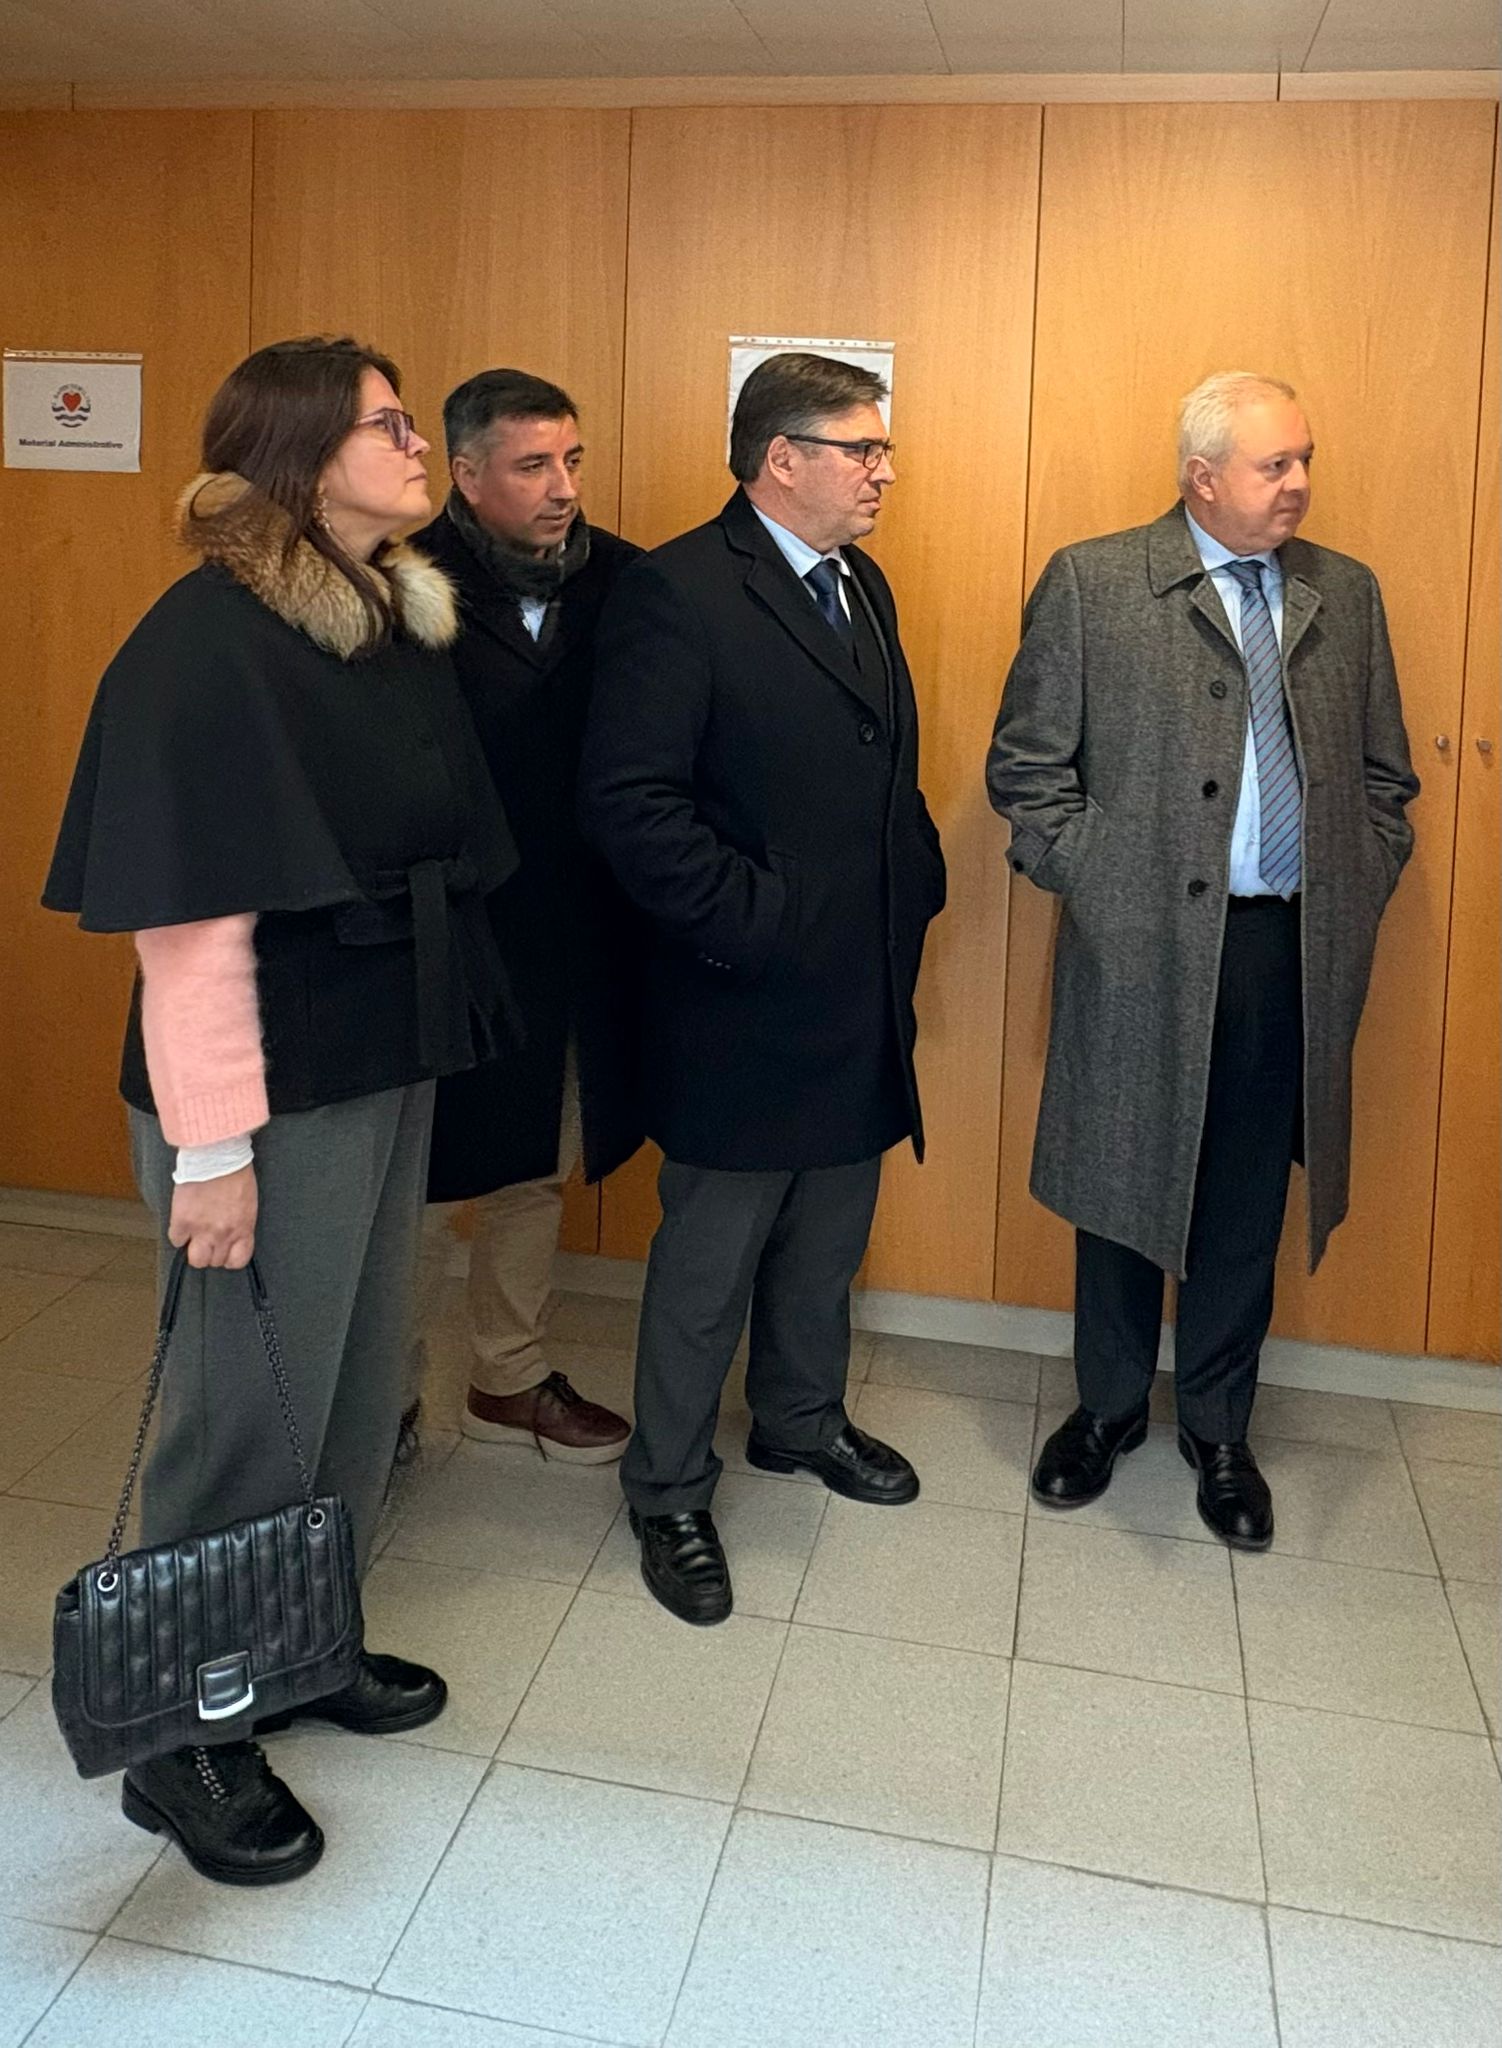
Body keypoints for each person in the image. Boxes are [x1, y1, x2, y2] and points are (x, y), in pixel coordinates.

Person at [43, 336, 517, 1885]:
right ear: (304, 457)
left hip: (377, 1057)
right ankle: (180, 1736)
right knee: (244, 1408)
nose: (417, 446)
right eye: (388, 425)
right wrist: (212, 1151)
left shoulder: (386, 617)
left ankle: (296, 1645)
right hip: (263, 1088)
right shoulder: (206, 645)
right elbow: (187, 929)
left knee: (355, 1378)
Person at [986, 370, 1418, 1548]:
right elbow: (1026, 770)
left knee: (1242, 1193)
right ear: (1201, 476)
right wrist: (1104, 889)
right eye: (1274, 464)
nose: (1298, 484)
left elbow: (1383, 777)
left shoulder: (1342, 592)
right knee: (1121, 1176)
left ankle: (1220, 1427)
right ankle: (1106, 1408)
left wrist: (1360, 872)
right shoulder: (1094, 582)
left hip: (1283, 946)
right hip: (1138, 944)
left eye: (1303, 459)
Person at [579, 351, 947, 1625]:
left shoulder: (859, 581)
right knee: (711, 1258)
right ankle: (669, 1488)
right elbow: (630, 802)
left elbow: (878, 765)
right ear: (780, 460)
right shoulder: (678, 590)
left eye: (882, 449)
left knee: (827, 1234)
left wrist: (914, 877)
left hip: (856, 982)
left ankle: (797, 1418)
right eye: (862, 449)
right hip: (737, 990)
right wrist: (755, 922)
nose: (883, 472)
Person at [403, 371, 643, 1462]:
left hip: (574, 930)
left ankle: (506, 1376)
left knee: (537, 1161)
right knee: (416, 1174)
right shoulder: (401, 584)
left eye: (572, 461)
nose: (562, 488)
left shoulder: (626, 582)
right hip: (443, 931)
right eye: (532, 465)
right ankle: (382, 1397)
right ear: (465, 473)